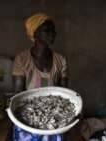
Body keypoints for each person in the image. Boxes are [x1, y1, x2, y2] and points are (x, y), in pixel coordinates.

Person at [11, 12, 68, 141]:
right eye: (46, 30)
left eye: (53, 30)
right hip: (29, 116)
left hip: (54, 115)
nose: (52, 33)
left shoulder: (61, 60)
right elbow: (18, 93)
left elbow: (64, 93)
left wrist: (51, 113)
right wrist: (34, 115)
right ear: (35, 33)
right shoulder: (22, 59)